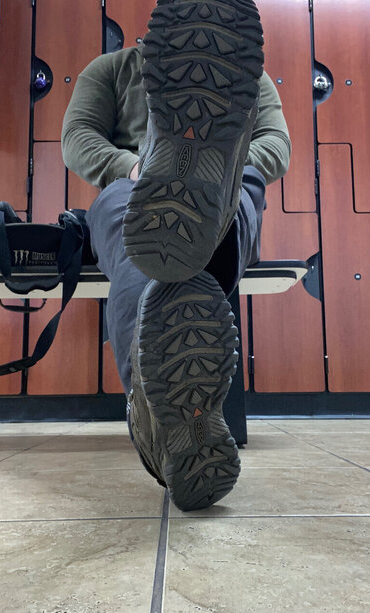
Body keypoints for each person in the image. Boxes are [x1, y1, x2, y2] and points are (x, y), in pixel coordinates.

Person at [62, 0, 291, 511]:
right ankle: (170, 409)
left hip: (226, 189)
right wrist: (132, 167)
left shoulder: (249, 76)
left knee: (238, 189)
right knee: (131, 224)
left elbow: (276, 144)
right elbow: (77, 138)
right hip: (133, 190)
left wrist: (229, 164)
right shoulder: (110, 70)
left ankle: (151, 412)